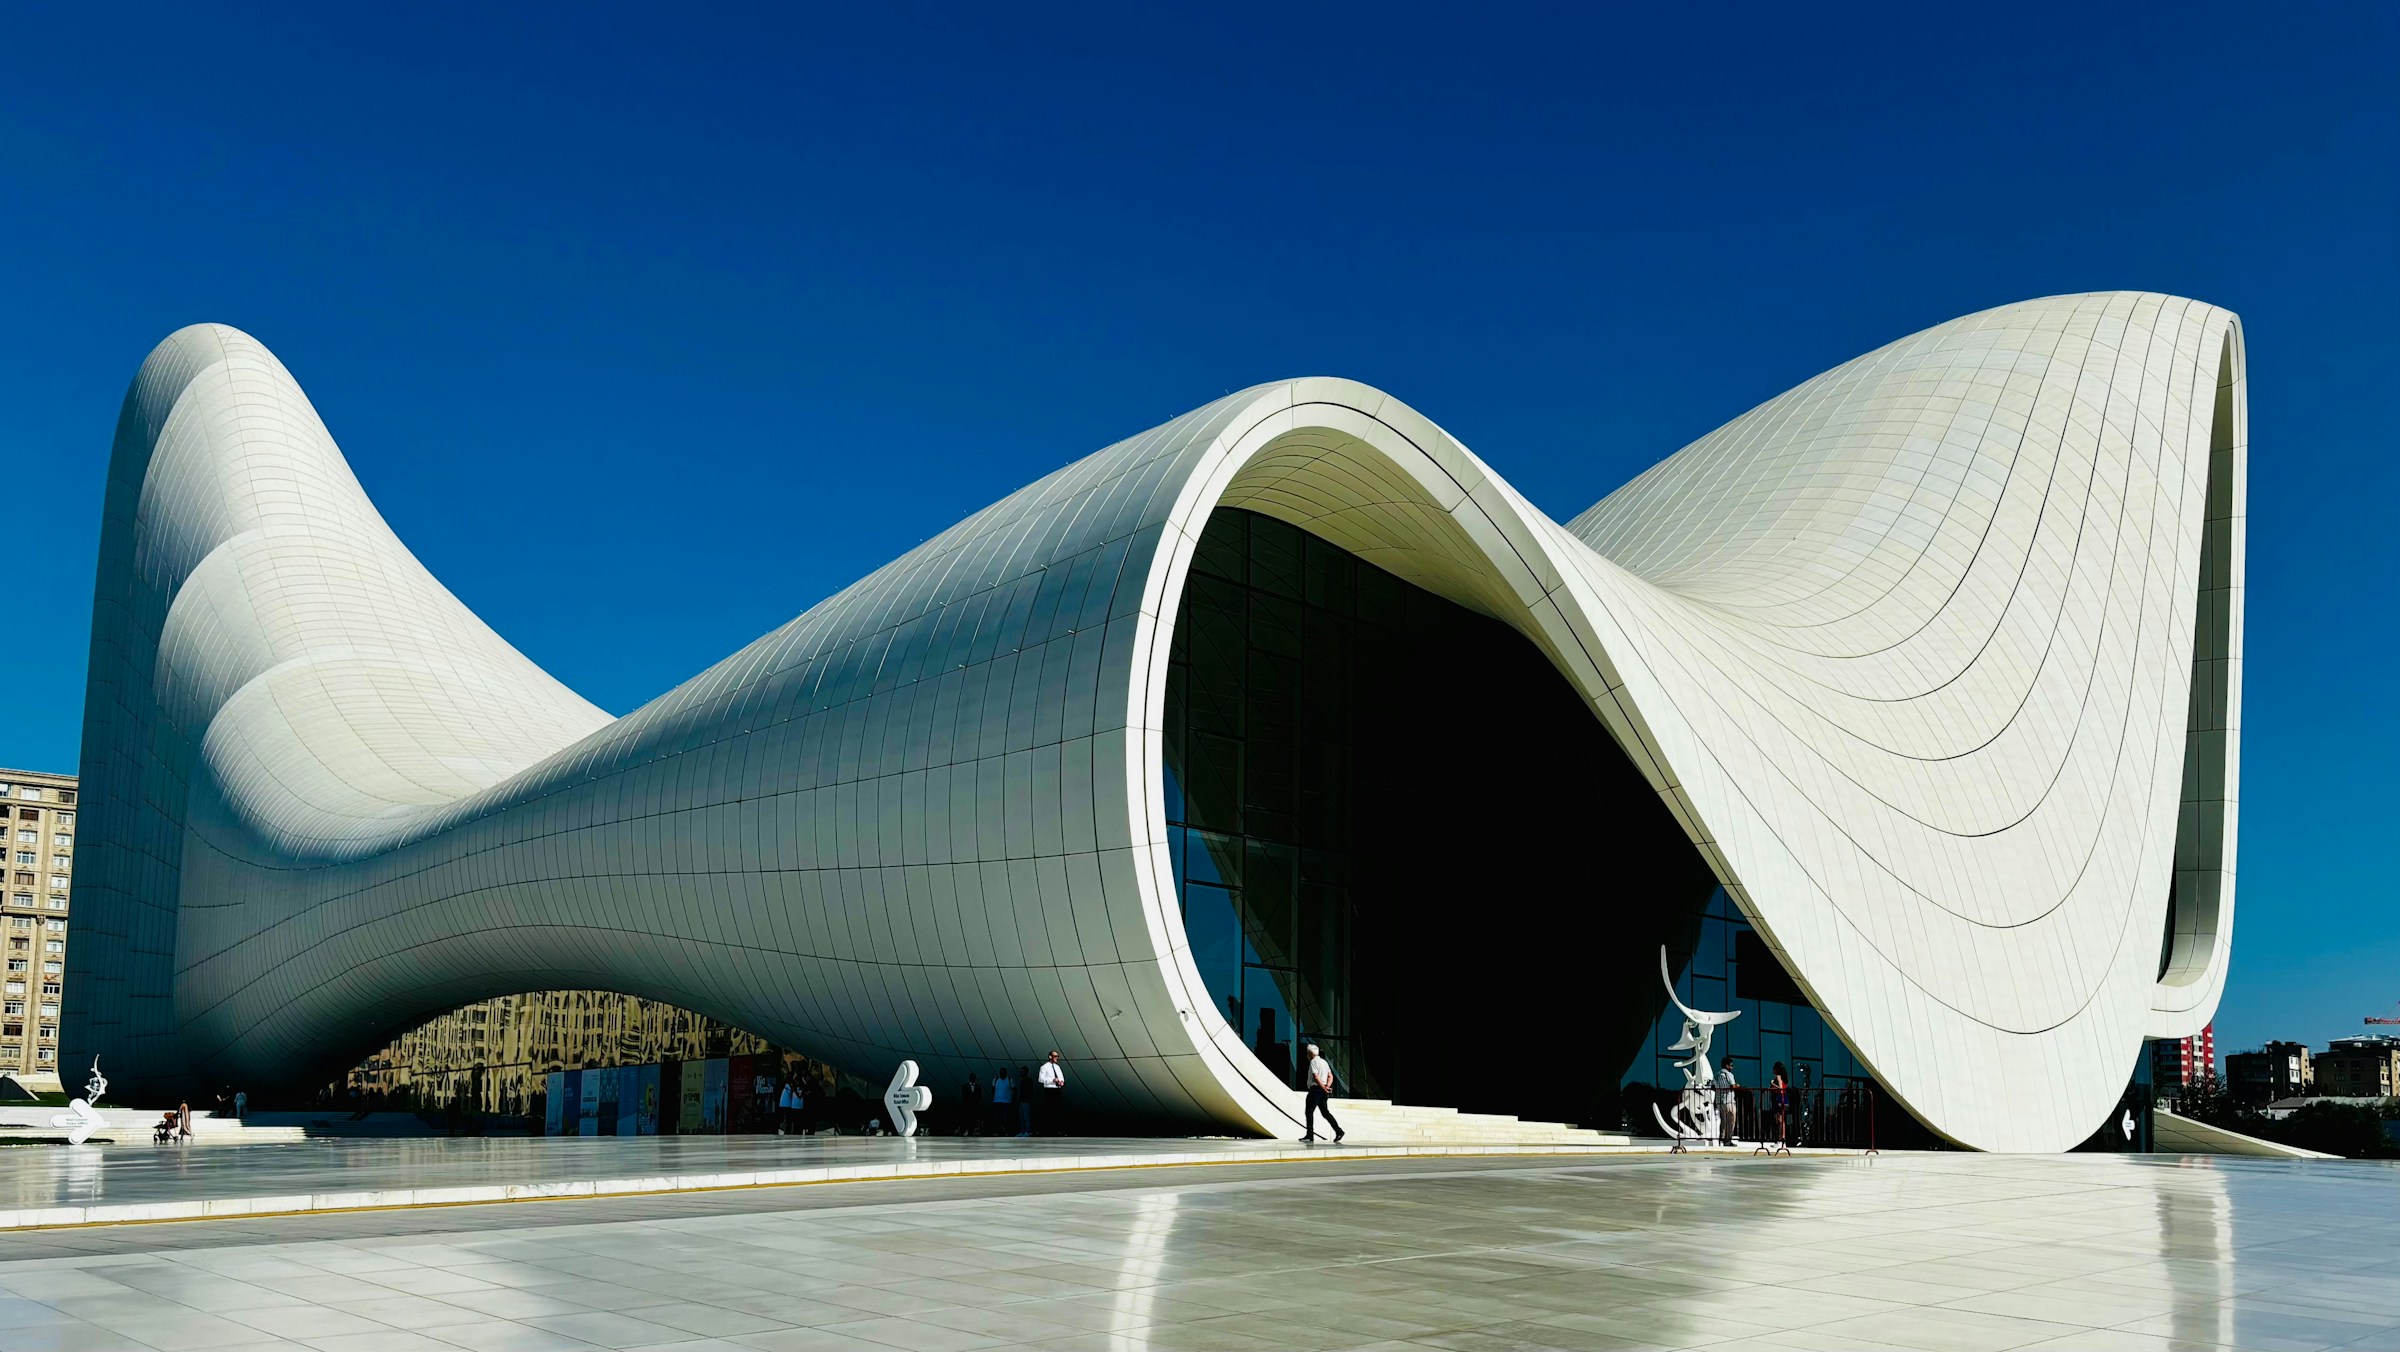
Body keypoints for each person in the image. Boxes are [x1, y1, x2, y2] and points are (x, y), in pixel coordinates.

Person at [1300, 1042, 1344, 1144]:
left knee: (1309, 1112)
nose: (1307, 1056)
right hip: (1323, 1091)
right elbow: (1330, 1076)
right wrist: (1327, 1086)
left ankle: (1310, 1134)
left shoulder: (1313, 1062)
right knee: (1325, 1113)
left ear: (1310, 1054)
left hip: (1316, 1090)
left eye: (1307, 1053)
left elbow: (1316, 1076)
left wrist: (1323, 1087)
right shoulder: (1324, 1062)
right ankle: (1339, 1131)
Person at [1036, 1052, 1066, 1135]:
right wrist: (1052, 1080)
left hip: (1057, 1089)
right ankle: (1048, 1129)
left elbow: (1061, 1077)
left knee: (1058, 1109)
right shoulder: (1044, 1067)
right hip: (1049, 1090)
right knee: (1049, 1110)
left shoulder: (1057, 1067)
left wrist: (1061, 1081)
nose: (1057, 1058)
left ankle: (1057, 1129)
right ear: (1050, 1057)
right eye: (1055, 1056)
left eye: (1057, 1056)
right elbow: (1040, 1079)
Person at [1713, 1061, 1738, 1146]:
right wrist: (1738, 1086)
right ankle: (1728, 1140)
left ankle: (1722, 1139)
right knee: (1730, 1121)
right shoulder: (1728, 1074)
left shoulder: (1716, 1075)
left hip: (1719, 1101)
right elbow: (1732, 1086)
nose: (1732, 1067)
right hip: (1728, 1100)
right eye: (1731, 1065)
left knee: (1723, 1121)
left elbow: (1712, 1086)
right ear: (1727, 1065)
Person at [989, 1067, 1014, 1136]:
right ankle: (998, 1131)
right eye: (1001, 1072)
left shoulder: (1010, 1079)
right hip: (997, 1101)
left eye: (1003, 1072)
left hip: (1007, 1102)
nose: (1002, 1073)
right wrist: (993, 1098)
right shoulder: (996, 1079)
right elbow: (992, 1089)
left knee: (1006, 1117)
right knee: (997, 1117)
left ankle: (1006, 1131)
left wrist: (1013, 1100)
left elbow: (1014, 1089)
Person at [1770, 1062, 1790, 1146]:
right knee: (1782, 1120)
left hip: (1779, 1099)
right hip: (1784, 1099)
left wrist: (1772, 1083)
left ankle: (1780, 1140)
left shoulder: (1778, 1077)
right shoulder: (1783, 1078)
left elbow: (1781, 1088)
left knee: (1780, 1120)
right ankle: (1782, 1139)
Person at [1016, 1065, 1035, 1137]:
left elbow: (1031, 1091)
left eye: (1023, 1071)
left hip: (1026, 1100)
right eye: (1021, 1071)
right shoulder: (1021, 1080)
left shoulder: (1029, 1080)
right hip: (1021, 1100)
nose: (1021, 1073)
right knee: (1021, 1117)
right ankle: (1023, 1131)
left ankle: (1028, 1131)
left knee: (1026, 1117)